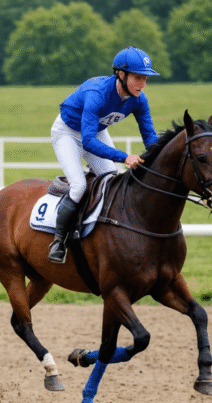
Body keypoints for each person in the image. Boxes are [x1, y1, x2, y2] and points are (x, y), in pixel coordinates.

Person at [47, 46, 160, 264]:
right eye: (138, 78)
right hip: (67, 132)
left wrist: (158, 159)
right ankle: (58, 242)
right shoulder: (97, 93)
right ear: (121, 75)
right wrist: (124, 157)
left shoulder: (139, 99)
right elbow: (88, 141)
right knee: (78, 186)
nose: (143, 84)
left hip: (94, 131)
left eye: (145, 79)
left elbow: (150, 136)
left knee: (111, 180)